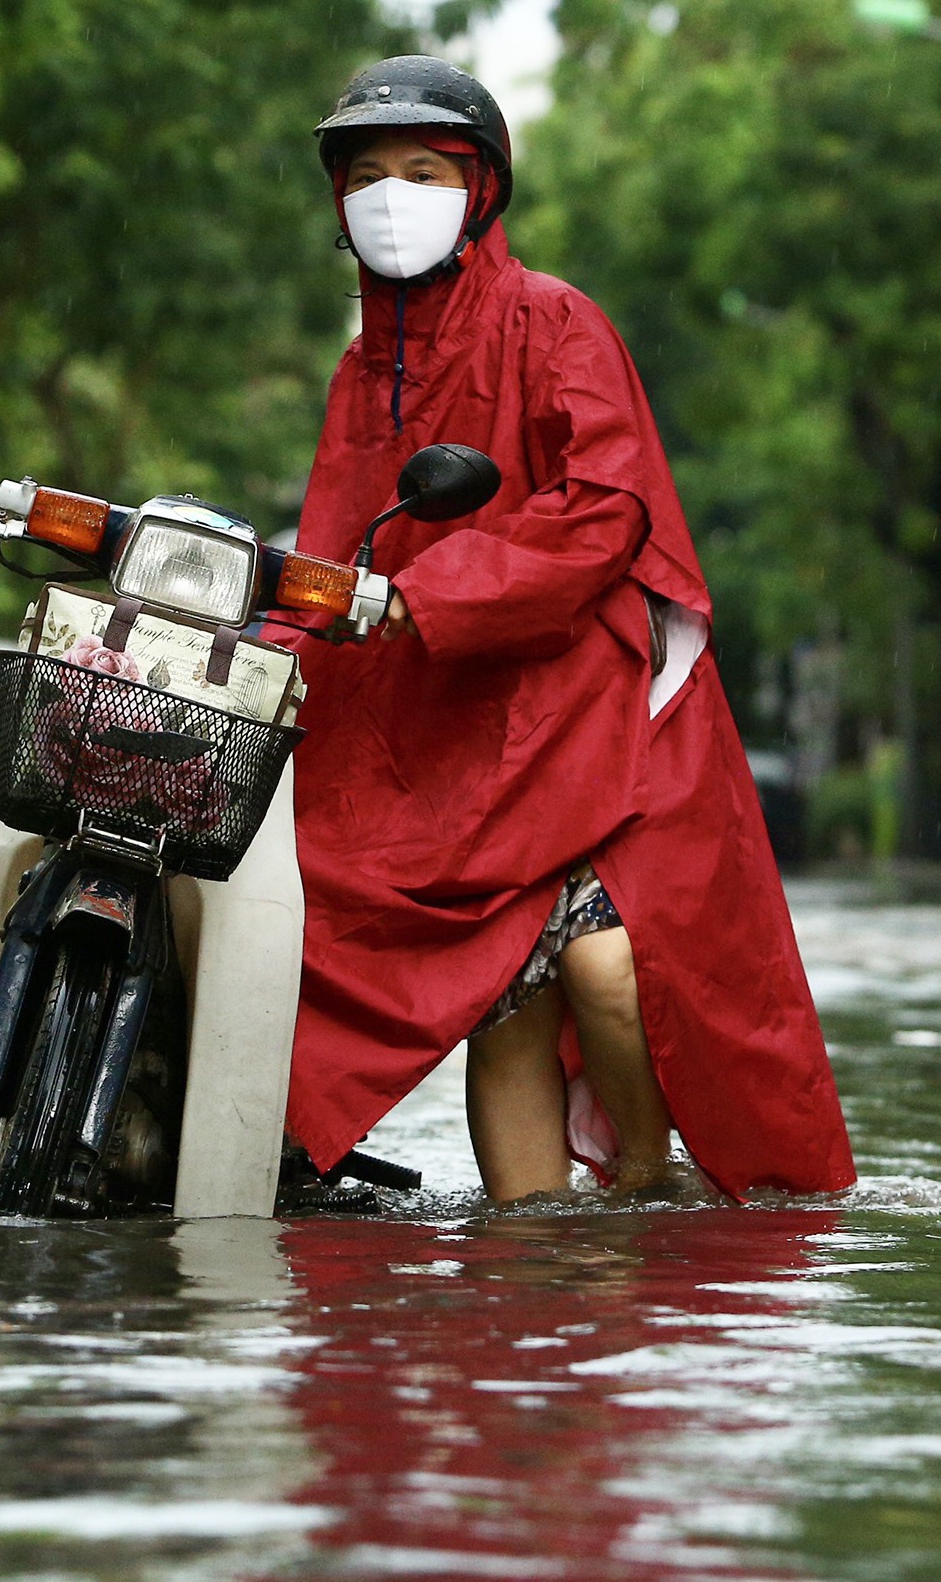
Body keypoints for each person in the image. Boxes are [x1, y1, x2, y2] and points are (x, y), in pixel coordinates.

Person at [283, 57, 855, 1202]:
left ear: (482, 187)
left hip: (574, 717)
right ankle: (533, 1249)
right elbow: (333, 552)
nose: (394, 195)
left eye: (426, 171)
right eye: (369, 176)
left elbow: (605, 512)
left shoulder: (556, 321)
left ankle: (640, 1195)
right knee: (503, 1009)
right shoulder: (362, 370)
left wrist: (432, 594)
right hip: (442, 741)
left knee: (608, 968)